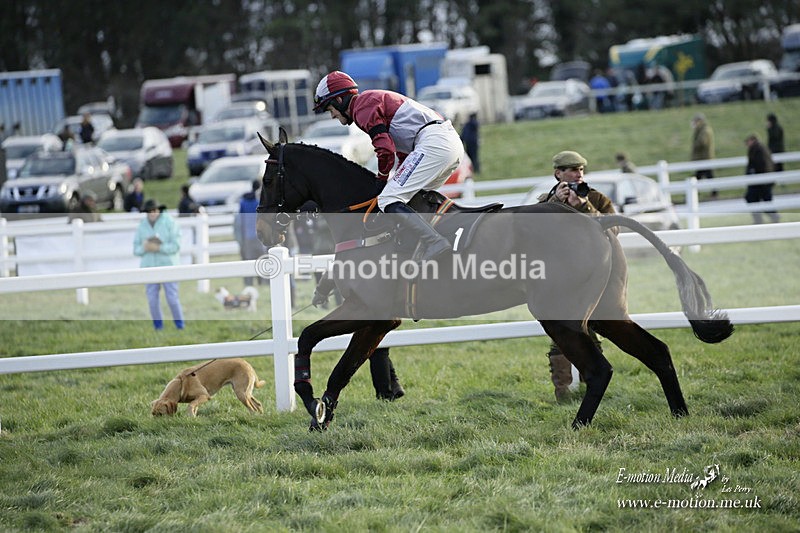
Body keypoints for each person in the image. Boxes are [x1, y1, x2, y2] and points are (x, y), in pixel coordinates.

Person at [313, 70, 460, 262]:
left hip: (434, 143)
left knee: (388, 198)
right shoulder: (370, 101)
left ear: (340, 100)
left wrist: (381, 180)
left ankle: (435, 242)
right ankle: (428, 241)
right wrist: (393, 176)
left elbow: (385, 149)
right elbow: (401, 152)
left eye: (329, 108)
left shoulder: (361, 107)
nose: (332, 115)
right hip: (447, 143)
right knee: (413, 199)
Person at [537, 151, 615, 402]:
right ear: (557, 174)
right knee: (562, 333)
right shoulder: (545, 201)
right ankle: (563, 393)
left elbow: (613, 229)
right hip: (559, 277)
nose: (577, 174)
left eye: (580, 170)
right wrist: (554, 203)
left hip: (592, 276)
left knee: (592, 331)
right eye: (571, 170)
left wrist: (585, 206)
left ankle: (592, 388)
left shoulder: (596, 198)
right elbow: (532, 235)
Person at [134, 199, 185, 330]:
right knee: (152, 300)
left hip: (168, 265)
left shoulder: (170, 222)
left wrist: (159, 248)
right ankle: (158, 326)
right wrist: (145, 247)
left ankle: (180, 325)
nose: (152, 213)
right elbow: (136, 249)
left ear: (159, 210)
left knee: (172, 298)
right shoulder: (142, 225)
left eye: (154, 210)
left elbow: (176, 246)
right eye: (149, 211)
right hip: (149, 267)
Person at [234, 180, 266, 287]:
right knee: (261, 260)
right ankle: (262, 282)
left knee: (248, 260)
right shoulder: (259, 202)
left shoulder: (243, 202)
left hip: (247, 236)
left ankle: (248, 283)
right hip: (259, 236)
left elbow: (239, 221)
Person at [744, 134, 779, 224]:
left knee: (753, 199)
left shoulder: (757, 150)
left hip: (761, 181)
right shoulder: (759, 148)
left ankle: (764, 219)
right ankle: (770, 217)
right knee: (761, 200)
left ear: (752, 140)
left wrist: (752, 174)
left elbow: (760, 166)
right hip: (763, 181)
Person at [690, 113, 717, 198]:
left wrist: (695, 145)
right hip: (703, 157)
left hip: (704, 158)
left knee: (701, 176)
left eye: (695, 121)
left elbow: (702, 142)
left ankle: (693, 193)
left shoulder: (705, 130)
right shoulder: (702, 130)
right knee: (705, 176)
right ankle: (713, 193)